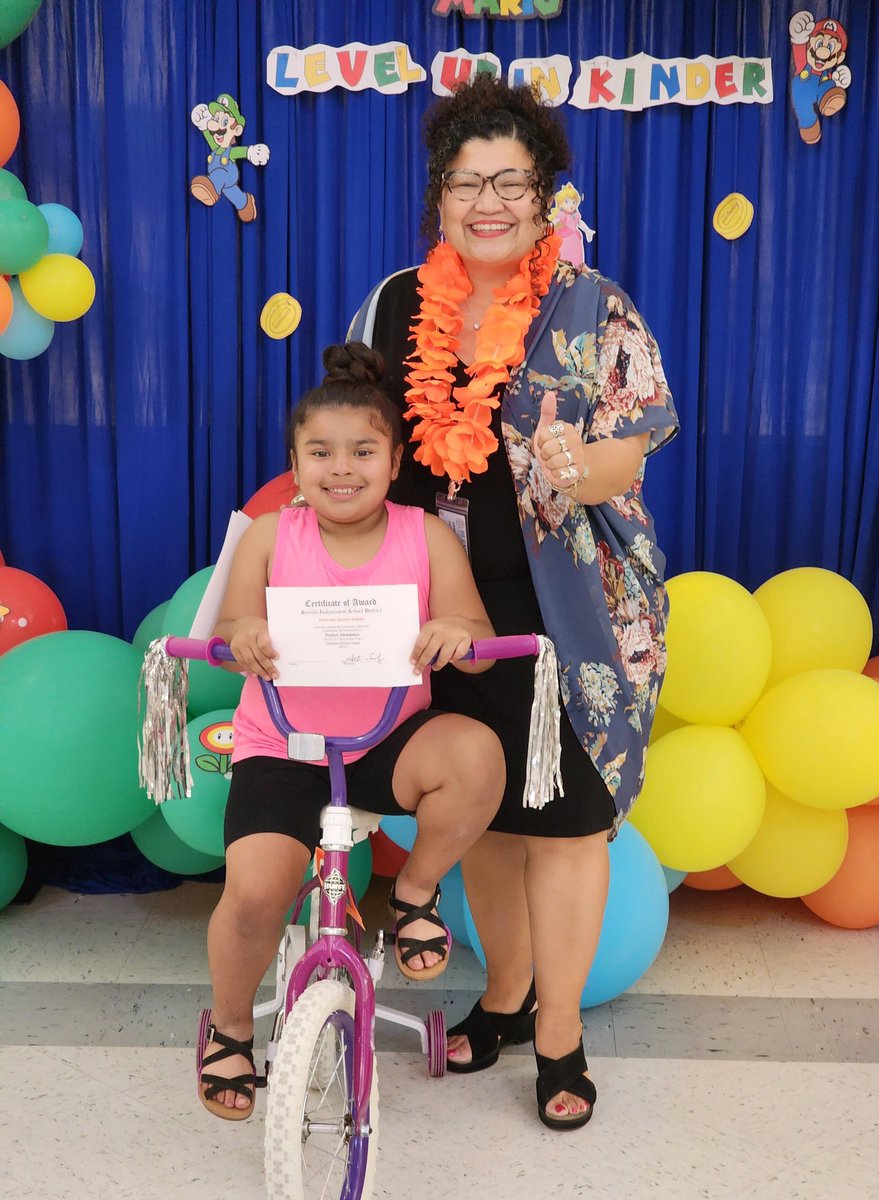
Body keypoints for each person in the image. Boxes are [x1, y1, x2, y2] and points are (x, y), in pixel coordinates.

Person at [349, 75, 678, 1131]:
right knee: (484, 809)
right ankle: (499, 998)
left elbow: (632, 445)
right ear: (439, 195)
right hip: (434, 612)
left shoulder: (595, 306)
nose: (487, 201)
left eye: (511, 181)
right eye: (465, 181)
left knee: (571, 825)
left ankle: (560, 1035)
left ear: (545, 198)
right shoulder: (399, 303)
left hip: (570, 610)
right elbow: (356, 437)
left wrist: (581, 464)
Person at [198, 342, 505, 1120]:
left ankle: (413, 891)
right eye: (320, 452)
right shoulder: (270, 535)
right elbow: (233, 621)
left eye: (363, 450)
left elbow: (473, 635)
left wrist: (453, 633)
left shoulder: (426, 535)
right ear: (295, 466)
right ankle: (232, 1029)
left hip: (384, 746)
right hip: (285, 746)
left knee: (475, 753)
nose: (343, 468)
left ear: (395, 460)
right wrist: (242, 636)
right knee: (256, 893)